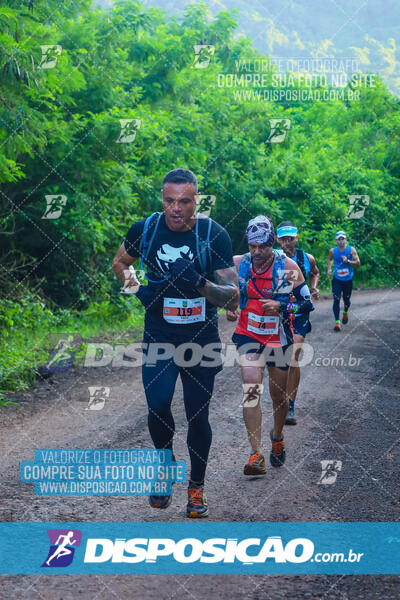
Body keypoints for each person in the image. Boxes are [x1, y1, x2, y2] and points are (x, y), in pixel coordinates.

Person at [112, 168, 238, 518]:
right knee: (157, 404)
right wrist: (141, 292)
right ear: (162, 198)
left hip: (201, 337)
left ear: (196, 199)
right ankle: (164, 466)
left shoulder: (213, 235)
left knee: (198, 415)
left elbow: (232, 298)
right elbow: (120, 263)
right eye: (170, 200)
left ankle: (196, 488)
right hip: (159, 333)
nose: (176, 208)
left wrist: (200, 282)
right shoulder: (147, 229)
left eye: (184, 201)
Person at [226, 216, 313, 475]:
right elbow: (222, 292)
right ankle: (255, 454)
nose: (256, 251)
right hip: (248, 335)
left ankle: (277, 436)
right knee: (251, 388)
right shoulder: (239, 264)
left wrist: (282, 305)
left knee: (278, 397)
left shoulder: (286, 267)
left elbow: (307, 305)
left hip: (278, 337)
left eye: (262, 246)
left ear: (271, 242)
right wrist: (229, 307)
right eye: (252, 246)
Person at [276, 222, 319, 426]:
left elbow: (316, 272)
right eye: (283, 239)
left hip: (300, 314)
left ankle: (290, 404)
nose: (286, 243)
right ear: (277, 239)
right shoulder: (272, 258)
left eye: (290, 238)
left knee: (293, 356)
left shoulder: (306, 258)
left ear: (296, 238)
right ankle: (280, 398)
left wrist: (313, 287)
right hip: (278, 315)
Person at [327, 231, 360, 332]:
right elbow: (330, 259)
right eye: (339, 239)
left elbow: (358, 263)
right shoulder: (333, 251)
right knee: (336, 299)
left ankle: (345, 312)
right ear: (336, 241)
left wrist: (348, 261)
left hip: (348, 279)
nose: (341, 241)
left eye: (343, 239)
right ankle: (337, 322)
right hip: (337, 279)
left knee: (347, 300)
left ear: (345, 240)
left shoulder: (351, 250)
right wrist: (329, 269)